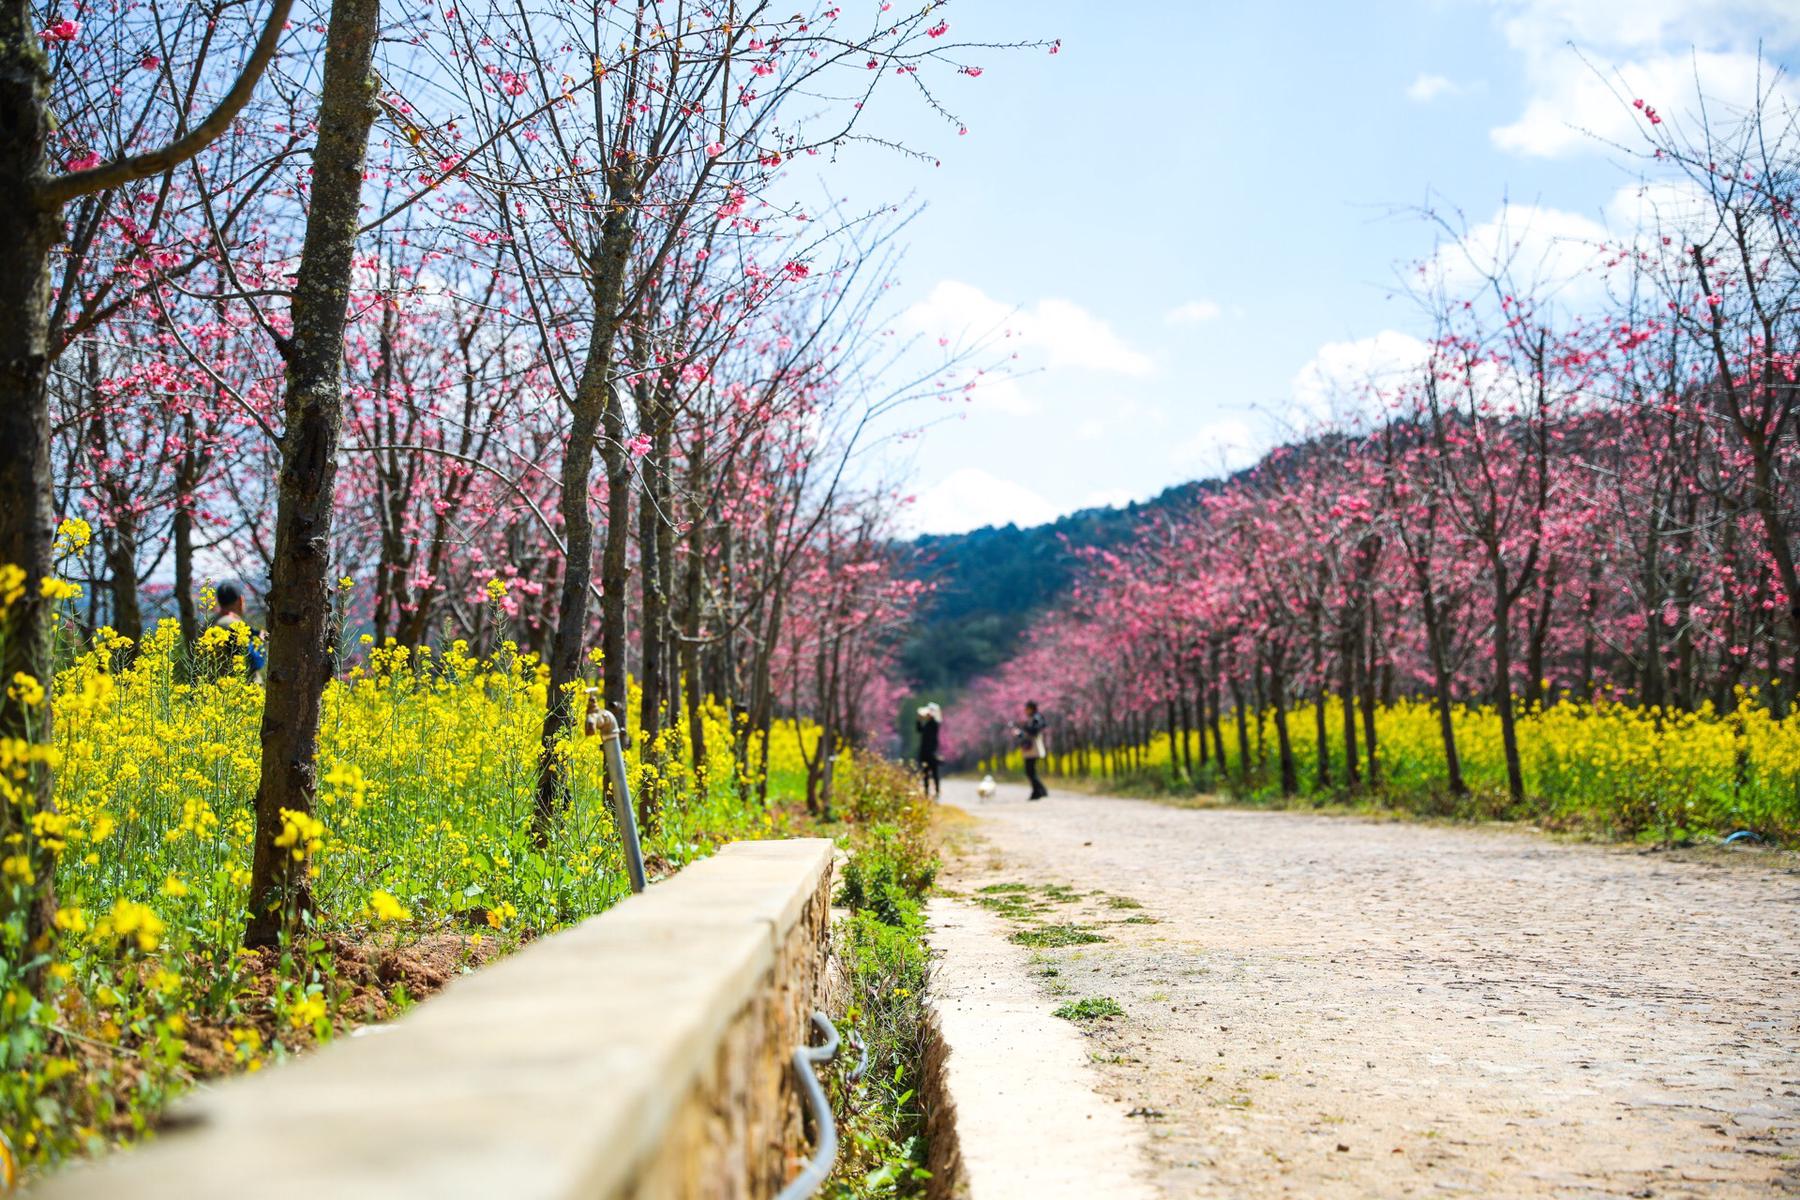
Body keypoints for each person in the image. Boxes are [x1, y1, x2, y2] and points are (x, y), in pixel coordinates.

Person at [211, 582, 266, 678]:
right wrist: (260, 644)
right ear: (240, 600)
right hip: (239, 687)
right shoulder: (235, 626)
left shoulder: (208, 624)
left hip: (211, 687)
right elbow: (254, 662)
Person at [1014, 700, 1048, 800]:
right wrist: (1020, 733)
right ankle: (1040, 791)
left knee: (1030, 771)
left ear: (1031, 708)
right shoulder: (1035, 718)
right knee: (1030, 771)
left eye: (1027, 708)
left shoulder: (1036, 718)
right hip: (1031, 748)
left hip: (1033, 748)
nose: (1025, 710)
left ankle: (1038, 792)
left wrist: (1023, 728)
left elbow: (1034, 731)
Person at [915, 702, 942, 799]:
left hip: (932, 753)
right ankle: (926, 792)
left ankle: (937, 792)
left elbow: (936, 722)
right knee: (925, 773)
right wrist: (919, 719)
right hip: (924, 753)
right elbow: (919, 729)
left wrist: (930, 714)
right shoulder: (927, 724)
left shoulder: (934, 724)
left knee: (935, 773)